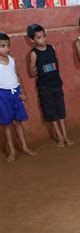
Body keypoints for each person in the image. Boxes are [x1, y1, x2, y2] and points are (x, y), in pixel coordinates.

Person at [27, 24, 74, 147]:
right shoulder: (34, 54)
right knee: (51, 112)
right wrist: (36, 70)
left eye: (44, 36)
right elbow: (32, 72)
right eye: (39, 38)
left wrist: (46, 68)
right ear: (32, 40)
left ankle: (65, 135)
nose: (43, 39)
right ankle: (59, 137)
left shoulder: (52, 48)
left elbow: (56, 65)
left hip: (56, 84)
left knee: (60, 110)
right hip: (44, 87)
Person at [0, 33, 38, 163]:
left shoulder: (12, 60)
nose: (6, 49)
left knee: (18, 122)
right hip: (3, 95)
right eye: (2, 46)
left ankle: (24, 146)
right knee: (7, 124)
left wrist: (23, 91)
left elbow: (17, 75)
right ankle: (12, 150)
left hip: (15, 92)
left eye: (8, 46)